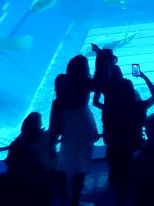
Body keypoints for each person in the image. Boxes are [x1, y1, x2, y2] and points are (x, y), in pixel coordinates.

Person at [104, 73, 154, 206]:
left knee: (121, 181)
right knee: (136, 179)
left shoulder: (113, 107)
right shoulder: (140, 106)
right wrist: (144, 77)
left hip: (118, 146)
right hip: (136, 145)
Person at [56, 55, 98, 206]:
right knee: (80, 163)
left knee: (65, 161)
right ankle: (74, 200)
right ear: (84, 69)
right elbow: (100, 83)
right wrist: (100, 57)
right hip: (82, 123)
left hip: (69, 124)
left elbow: (57, 105)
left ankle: (66, 199)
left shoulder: (62, 81)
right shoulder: (85, 83)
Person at [5, 112, 55, 205]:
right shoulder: (45, 137)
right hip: (37, 178)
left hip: (28, 179)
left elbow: (10, 164)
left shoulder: (17, 143)